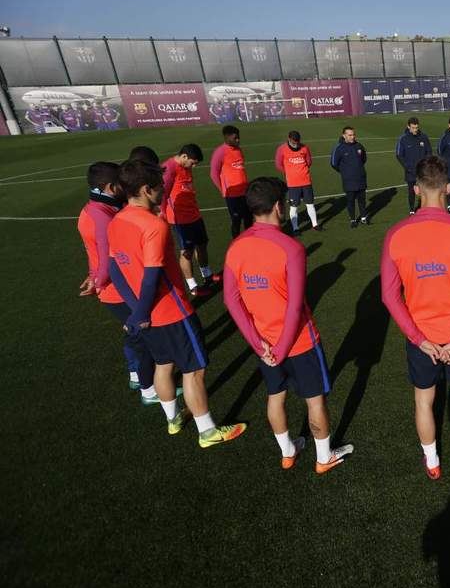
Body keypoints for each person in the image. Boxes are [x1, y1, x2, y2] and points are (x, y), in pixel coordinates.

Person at [107, 159, 246, 447]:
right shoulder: (153, 225)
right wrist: (142, 312)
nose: (163, 191)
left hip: (146, 315)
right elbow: (151, 276)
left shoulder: (117, 221)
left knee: (163, 364)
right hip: (172, 312)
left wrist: (136, 311)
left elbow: (115, 270)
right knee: (194, 370)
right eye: (160, 187)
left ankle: (173, 419)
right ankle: (207, 432)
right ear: (146, 190)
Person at [223, 177, 353, 473]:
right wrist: (281, 348)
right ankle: (323, 458)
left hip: (264, 344)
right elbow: (294, 306)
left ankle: (288, 452)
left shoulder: (236, 247)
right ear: (278, 207)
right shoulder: (291, 248)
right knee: (314, 400)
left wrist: (259, 344)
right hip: (299, 342)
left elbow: (231, 300)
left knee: (275, 396)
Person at [380, 156, 450, 480]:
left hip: (421, 337)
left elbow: (389, 296)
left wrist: (418, 339)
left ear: (416, 189)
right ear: (448, 188)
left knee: (423, 401)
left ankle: (432, 462)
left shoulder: (396, 234)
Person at [77, 161, 160, 403]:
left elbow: (93, 252)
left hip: (111, 287)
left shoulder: (94, 209)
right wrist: (98, 280)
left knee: (132, 332)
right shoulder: (102, 216)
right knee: (142, 336)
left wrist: (93, 276)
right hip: (116, 290)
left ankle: (135, 374)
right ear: (111, 187)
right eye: (121, 185)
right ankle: (148, 390)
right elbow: (107, 257)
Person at [161, 144, 216, 298]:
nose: (194, 166)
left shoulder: (185, 165)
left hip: (194, 214)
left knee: (202, 244)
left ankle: (207, 275)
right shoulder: (169, 169)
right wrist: (163, 216)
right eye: (193, 163)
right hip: (180, 219)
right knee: (187, 252)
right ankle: (193, 286)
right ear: (184, 156)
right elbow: (162, 195)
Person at [274, 130, 322, 234]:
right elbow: (278, 164)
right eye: (294, 142)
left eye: (297, 142)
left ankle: (315, 224)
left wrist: (302, 171)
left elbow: (309, 161)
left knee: (310, 204)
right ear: (289, 139)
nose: (296, 144)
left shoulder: (305, 148)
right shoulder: (281, 149)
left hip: (306, 182)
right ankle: (295, 228)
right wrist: (289, 172)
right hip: (293, 184)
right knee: (294, 206)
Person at [210, 125, 252, 238]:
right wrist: (223, 190)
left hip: (245, 192)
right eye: (235, 138)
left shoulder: (238, 149)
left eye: (238, 137)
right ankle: (236, 243)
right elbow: (213, 174)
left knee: (248, 218)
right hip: (232, 195)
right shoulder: (220, 152)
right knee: (236, 220)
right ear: (227, 137)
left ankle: (250, 241)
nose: (238, 140)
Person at [330, 126, 369, 228]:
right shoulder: (339, 148)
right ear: (344, 136)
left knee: (362, 200)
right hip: (349, 180)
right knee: (350, 201)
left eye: (353, 135)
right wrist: (344, 171)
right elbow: (333, 163)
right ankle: (353, 220)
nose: (353, 137)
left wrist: (359, 169)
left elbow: (364, 159)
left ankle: (363, 218)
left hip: (361, 178)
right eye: (350, 135)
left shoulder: (359, 146)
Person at [395, 116, 432, 214]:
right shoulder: (403, 139)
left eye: (416, 127)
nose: (415, 130)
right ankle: (412, 210)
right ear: (408, 127)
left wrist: (426, 165)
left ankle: (424, 208)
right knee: (411, 191)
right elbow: (399, 155)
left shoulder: (424, 137)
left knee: (424, 191)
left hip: (423, 171)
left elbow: (429, 152)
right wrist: (407, 167)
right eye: (413, 128)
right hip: (410, 171)